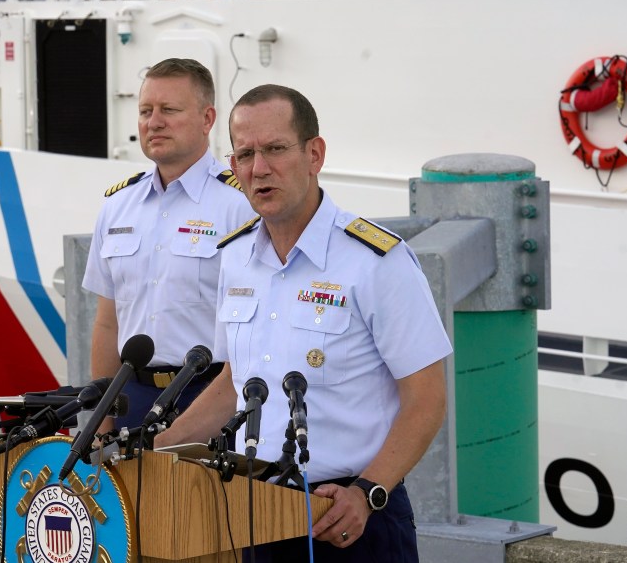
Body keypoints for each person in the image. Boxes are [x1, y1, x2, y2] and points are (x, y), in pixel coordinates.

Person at [156, 84, 452, 562]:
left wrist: (368, 492)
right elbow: (235, 382)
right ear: (233, 167)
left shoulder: (376, 261)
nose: (260, 168)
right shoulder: (234, 259)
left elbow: (427, 396)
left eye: (275, 149)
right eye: (246, 154)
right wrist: (155, 451)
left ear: (314, 154)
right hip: (256, 510)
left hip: (350, 519)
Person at [82, 58, 256, 434]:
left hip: (212, 395)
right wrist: (101, 418)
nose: (153, 122)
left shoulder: (240, 205)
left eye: (169, 110)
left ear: (207, 119)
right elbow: (107, 322)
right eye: (146, 111)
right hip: (132, 396)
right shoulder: (117, 206)